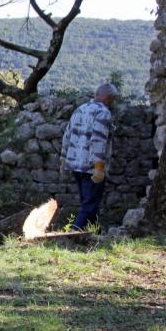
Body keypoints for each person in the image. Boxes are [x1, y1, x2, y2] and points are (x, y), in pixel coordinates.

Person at [60, 82, 118, 231]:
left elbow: (67, 135)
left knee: (89, 201)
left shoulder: (80, 109)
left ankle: (95, 234)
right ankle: (71, 234)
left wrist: (64, 158)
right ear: (109, 98)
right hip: (91, 167)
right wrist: (99, 167)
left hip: (74, 164)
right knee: (90, 203)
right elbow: (98, 140)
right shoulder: (103, 112)